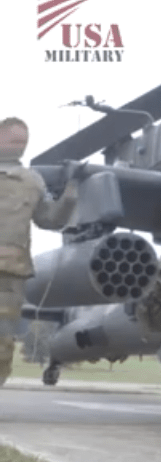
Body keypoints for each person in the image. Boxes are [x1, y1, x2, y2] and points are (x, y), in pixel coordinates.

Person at [0, 118, 85, 387]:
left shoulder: (32, 181)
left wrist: (70, 194)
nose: (20, 145)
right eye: (14, 139)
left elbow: (49, 219)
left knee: (3, 341)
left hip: (10, 276)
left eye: (23, 142)